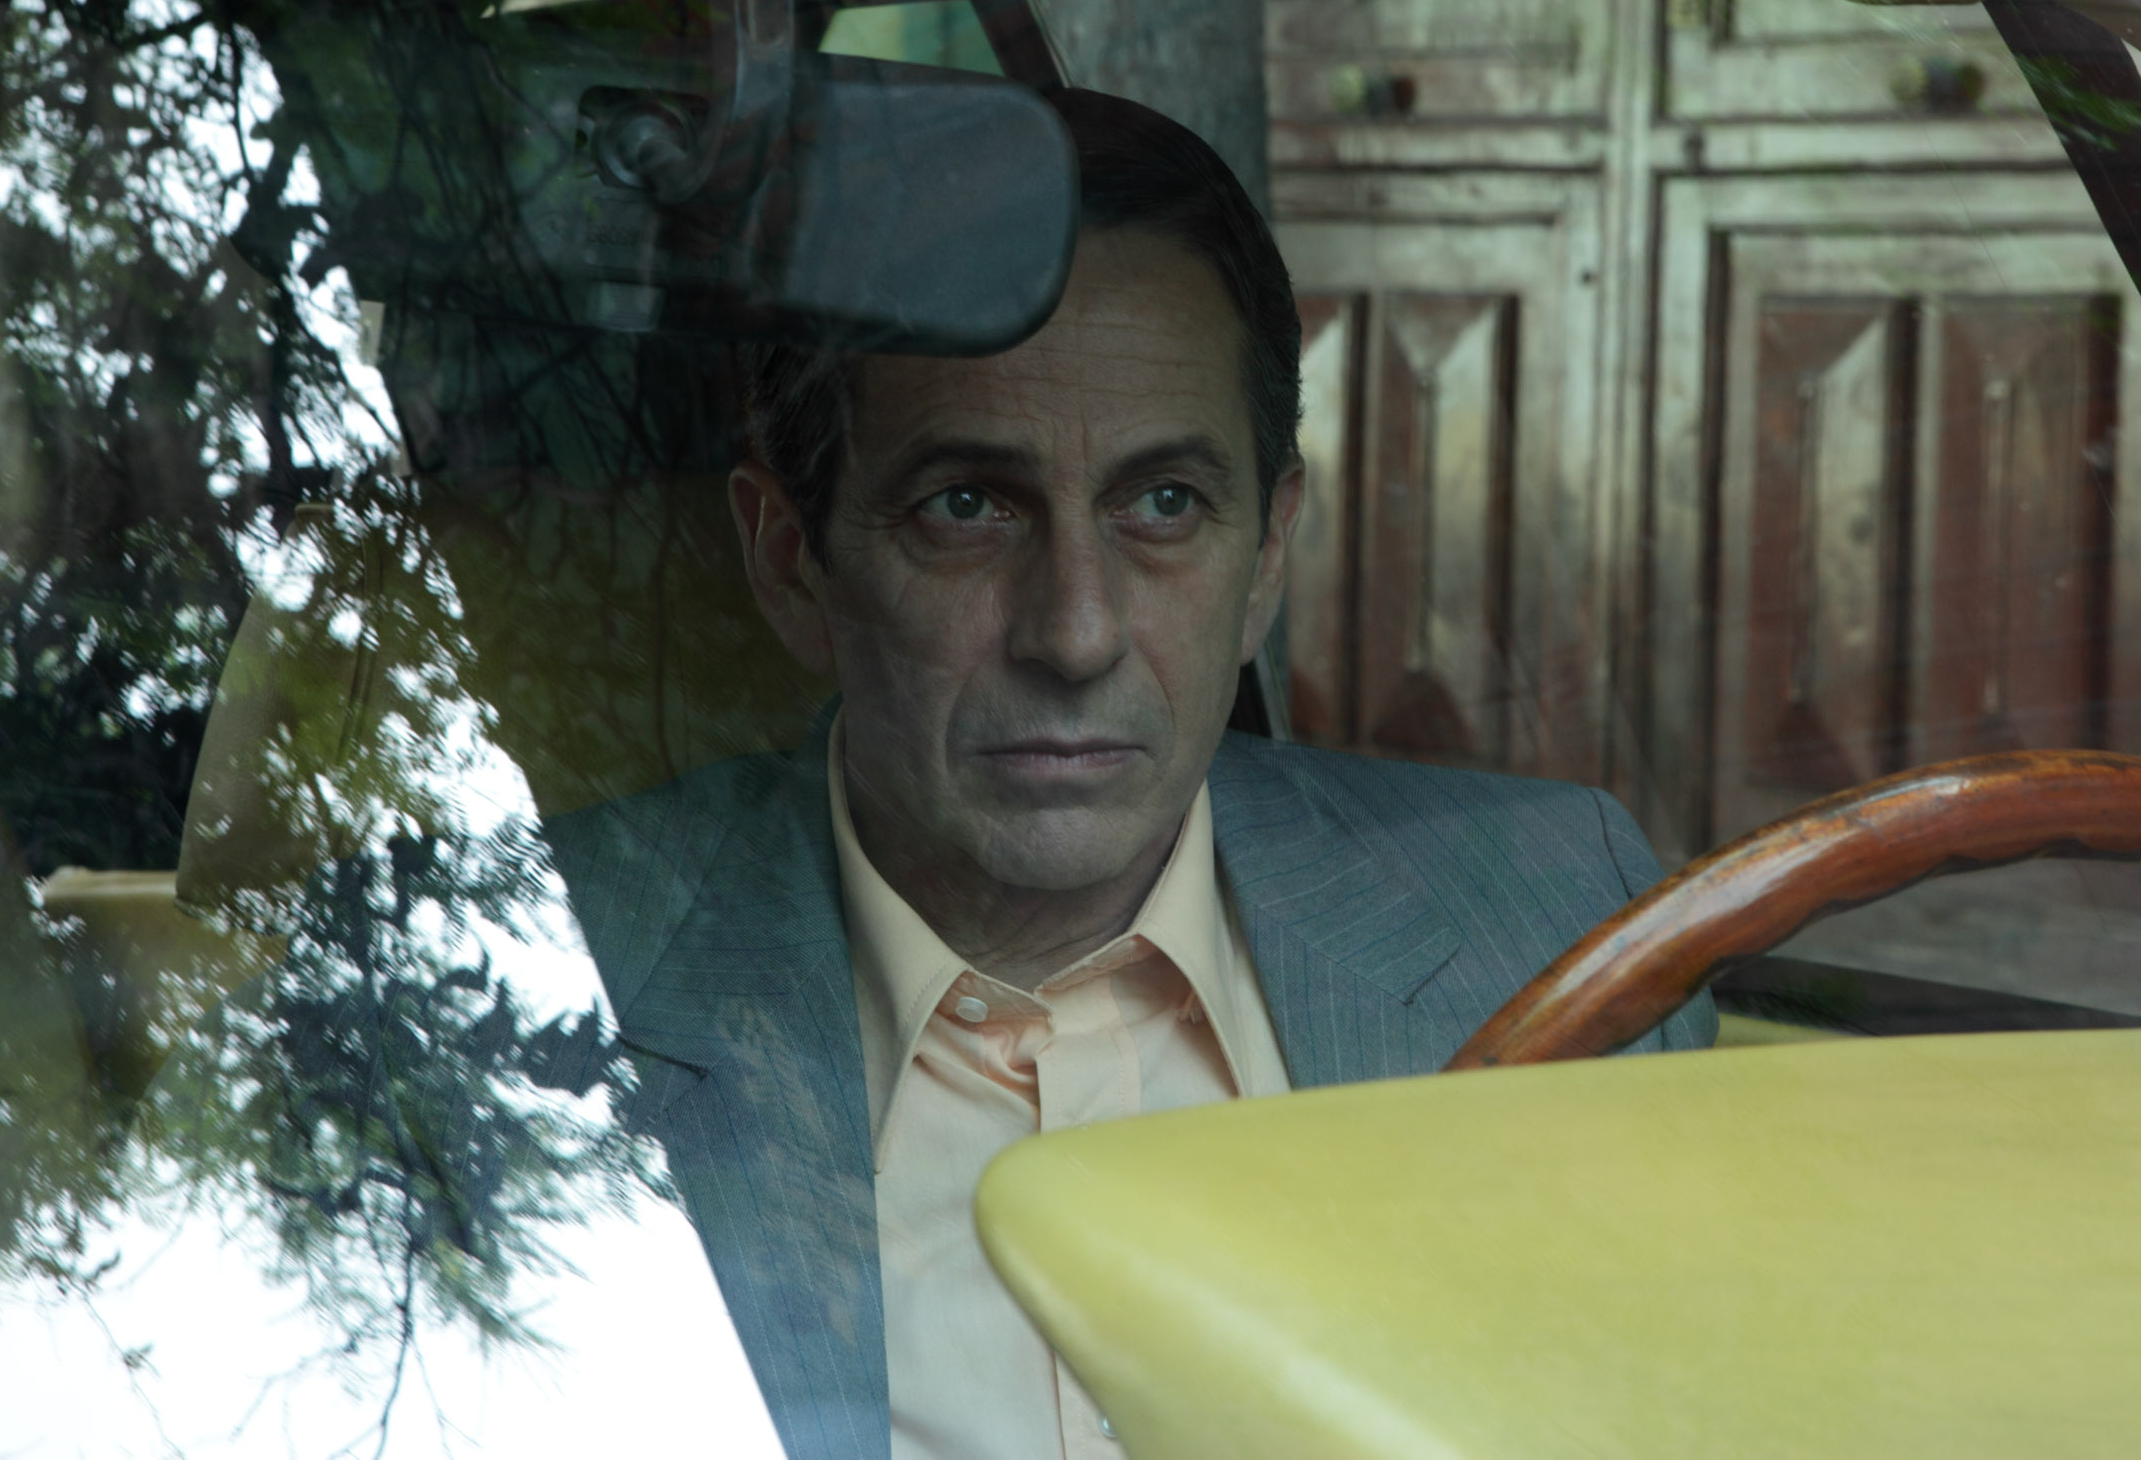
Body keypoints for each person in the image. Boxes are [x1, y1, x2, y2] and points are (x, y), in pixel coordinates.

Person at [543, 88, 1715, 1460]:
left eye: (1165, 504)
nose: (1077, 632)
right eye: (968, 506)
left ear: (1267, 554)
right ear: (793, 558)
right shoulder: (551, 971)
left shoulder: (1560, 915)